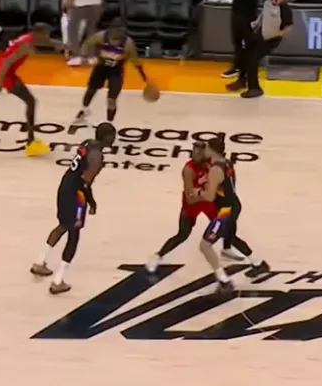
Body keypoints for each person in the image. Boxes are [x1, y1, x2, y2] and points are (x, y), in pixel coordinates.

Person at [31, 122, 116, 294]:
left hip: (65, 186)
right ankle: (58, 281)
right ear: (107, 138)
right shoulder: (97, 157)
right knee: (74, 235)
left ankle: (39, 262)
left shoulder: (87, 143)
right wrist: (91, 202)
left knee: (63, 225)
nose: (114, 138)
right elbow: (85, 183)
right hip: (76, 195)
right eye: (113, 135)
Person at [146, 142, 243, 274]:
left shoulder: (211, 163)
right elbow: (190, 198)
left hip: (208, 201)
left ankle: (227, 248)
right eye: (193, 152)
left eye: (198, 152)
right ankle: (157, 256)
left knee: (225, 223)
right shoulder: (189, 169)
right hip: (193, 203)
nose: (195, 155)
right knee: (183, 234)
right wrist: (206, 194)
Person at [0, 23, 58, 158]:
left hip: (1, 66)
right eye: (46, 34)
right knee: (30, 102)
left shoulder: (28, 37)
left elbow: (45, 43)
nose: (48, 36)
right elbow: (7, 62)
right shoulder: (26, 45)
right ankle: (31, 144)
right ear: (39, 33)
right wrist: (0, 82)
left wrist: (59, 44)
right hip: (5, 70)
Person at [198, 138, 269, 293]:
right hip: (234, 204)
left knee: (205, 246)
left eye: (207, 148)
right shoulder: (227, 163)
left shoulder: (215, 170)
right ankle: (258, 264)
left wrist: (198, 192)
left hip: (225, 211)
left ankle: (224, 281)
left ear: (211, 150)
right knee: (230, 236)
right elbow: (224, 185)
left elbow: (209, 197)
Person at [72, 19, 155, 125]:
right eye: (117, 30)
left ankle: (109, 122)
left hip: (116, 71)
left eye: (121, 30)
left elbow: (136, 62)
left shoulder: (128, 43)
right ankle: (84, 109)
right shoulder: (101, 36)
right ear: (111, 29)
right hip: (101, 68)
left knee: (111, 99)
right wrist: (84, 57)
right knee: (91, 90)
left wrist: (145, 78)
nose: (119, 33)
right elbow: (87, 43)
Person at [226, 0, 293, 98]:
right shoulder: (267, 1)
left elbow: (288, 29)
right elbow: (263, 16)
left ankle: (255, 88)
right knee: (245, 51)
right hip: (260, 35)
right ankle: (242, 80)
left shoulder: (285, 8)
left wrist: (276, 33)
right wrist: (255, 25)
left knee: (252, 59)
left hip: (271, 39)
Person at [221, 0, 261, 79]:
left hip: (249, 13)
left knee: (249, 43)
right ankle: (237, 66)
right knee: (237, 41)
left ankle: (248, 70)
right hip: (236, 11)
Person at [62, 0, 101, 66]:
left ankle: (76, 56)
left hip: (79, 2)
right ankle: (91, 56)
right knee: (92, 28)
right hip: (96, 1)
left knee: (73, 28)